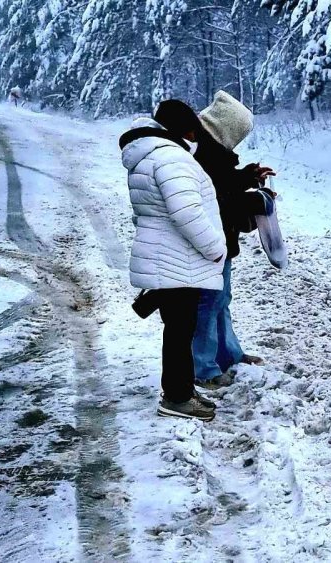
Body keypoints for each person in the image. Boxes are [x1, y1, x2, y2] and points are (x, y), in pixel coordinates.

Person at [119, 99, 226, 421]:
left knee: (179, 329)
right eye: (193, 128)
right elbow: (187, 212)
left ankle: (179, 389)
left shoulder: (148, 155)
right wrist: (215, 248)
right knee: (180, 331)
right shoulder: (170, 158)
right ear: (183, 128)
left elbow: (145, 213)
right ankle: (177, 397)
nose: (196, 136)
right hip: (179, 259)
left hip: (168, 256)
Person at [191, 91, 275, 389]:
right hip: (208, 245)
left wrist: (250, 177)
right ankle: (203, 368)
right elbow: (216, 201)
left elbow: (225, 185)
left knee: (220, 300)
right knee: (208, 303)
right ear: (228, 129)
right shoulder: (203, 157)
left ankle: (228, 355)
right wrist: (252, 202)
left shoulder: (213, 155)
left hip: (218, 243)